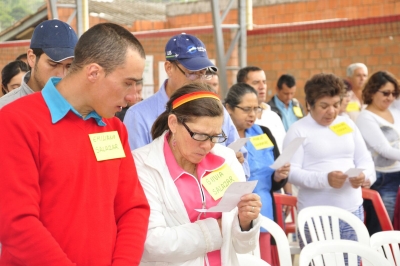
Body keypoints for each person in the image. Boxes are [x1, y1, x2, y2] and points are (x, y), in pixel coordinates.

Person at [0, 23, 150, 265]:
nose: (134, 96)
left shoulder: (114, 128)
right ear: (93, 73)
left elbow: (133, 209)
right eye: (127, 83)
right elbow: (16, 222)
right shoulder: (17, 121)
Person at [133, 83, 265, 266]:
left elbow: (242, 247)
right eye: (200, 135)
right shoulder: (143, 165)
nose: (208, 145)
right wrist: (216, 230)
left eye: (215, 136)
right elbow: (152, 243)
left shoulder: (226, 159)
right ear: (173, 123)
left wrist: (245, 222)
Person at [124, 33, 249, 176]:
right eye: (192, 73)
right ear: (169, 68)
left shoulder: (218, 110)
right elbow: (137, 174)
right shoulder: (138, 116)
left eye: (203, 73)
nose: (200, 81)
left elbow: (243, 162)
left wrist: (234, 164)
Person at [283, 73, 375, 265]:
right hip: (315, 217)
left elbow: (365, 160)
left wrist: (364, 177)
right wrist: (325, 179)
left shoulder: (348, 124)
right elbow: (290, 172)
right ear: (309, 104)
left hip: (352, 212)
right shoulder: (298, 130)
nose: (331, 112)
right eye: (324, 106)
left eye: (335, 105)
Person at [225, 82, 289, 265]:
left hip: (264, 210)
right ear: (229, 108)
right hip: (233, 214)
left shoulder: (264, 133)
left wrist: (279, 176)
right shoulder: (219, 136)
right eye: (246, 109)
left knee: (263, 259)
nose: (252, 114)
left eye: (256, 108)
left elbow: (274, 180)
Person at [356, 71, 400, 234]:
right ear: (372, 91)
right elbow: (384, 149)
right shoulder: (365, 117)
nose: (390, 98)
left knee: (396, 230)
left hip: (398, 174)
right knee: (383, 231)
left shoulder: (395, 110)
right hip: (383, 180)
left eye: (393, 93)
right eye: (386, 93)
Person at [0, 19, 78, 108]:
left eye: (69, 66)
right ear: (31, 58)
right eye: (53, 64)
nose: (61, 75)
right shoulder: (5, 108)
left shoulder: (80, 107)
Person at [237, 66, 286, 153]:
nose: (262, 86)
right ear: (242, 87)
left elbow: (284, 147)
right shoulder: (238, 119)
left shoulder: (273, 116)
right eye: (256, 82)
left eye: (264, 82)